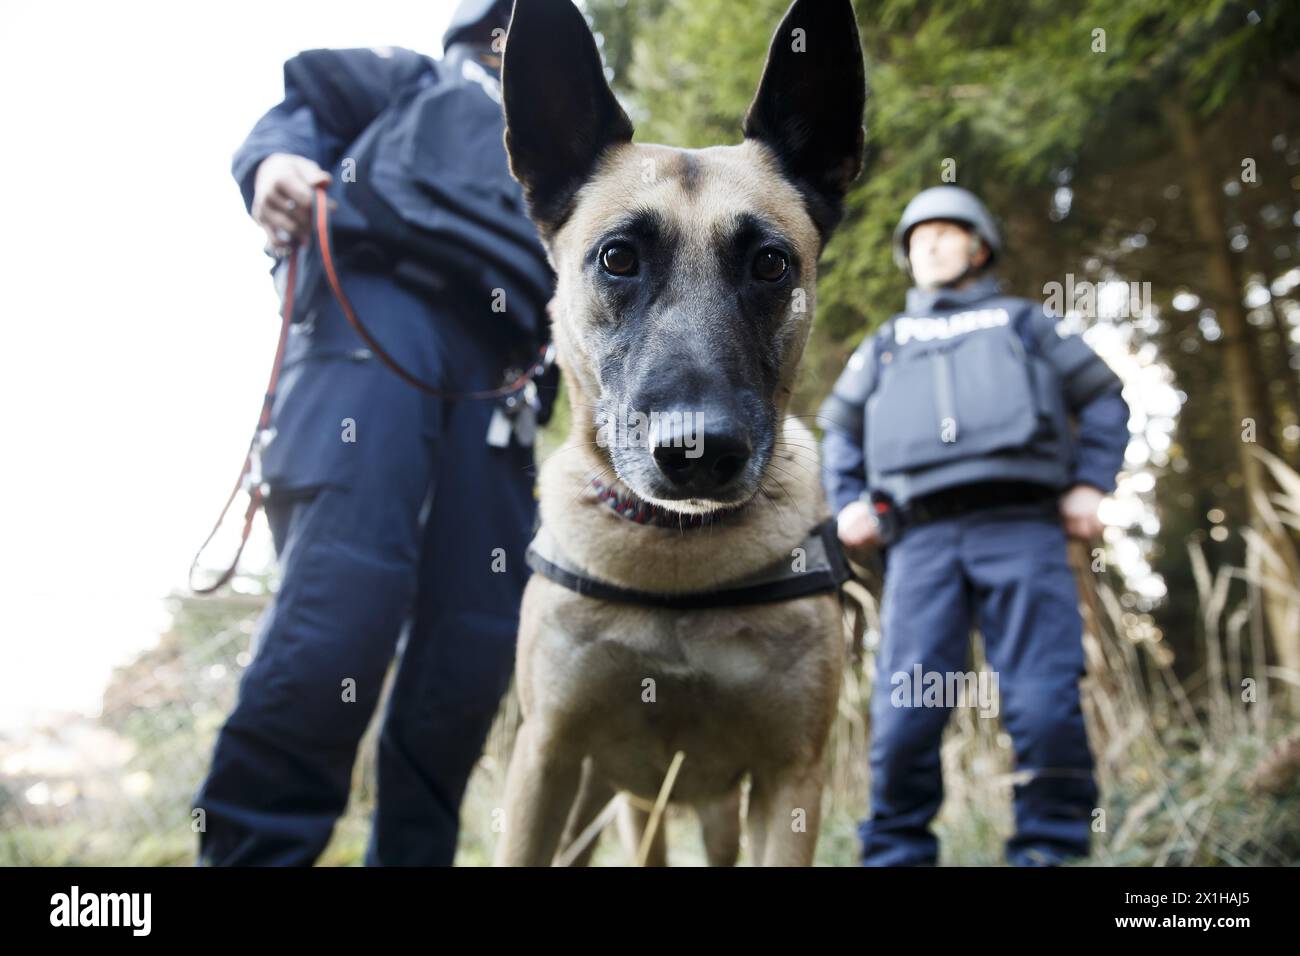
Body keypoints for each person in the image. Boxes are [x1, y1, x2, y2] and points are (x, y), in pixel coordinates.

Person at [192, 0, 556, 866]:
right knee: (340, 607)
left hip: (502, 376)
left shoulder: (563, 146)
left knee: (471, 647)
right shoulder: (415, 79)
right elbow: (300, 110)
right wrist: (274, 160)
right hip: (374, 317)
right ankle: (254, 854)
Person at [818, 186, 1131, 866]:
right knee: (904, 718)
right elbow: (838, 430)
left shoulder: (1024, 324)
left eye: (945, 231)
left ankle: (1049, 851)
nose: (928, 243)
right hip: (920, 543)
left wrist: (1089, 483)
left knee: (1044, 705)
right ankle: (897, 855)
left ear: (978, 245)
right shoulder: (885, 345)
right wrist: (849, 500)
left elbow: (1104, 397)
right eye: (917, 236)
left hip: (1022, 528)